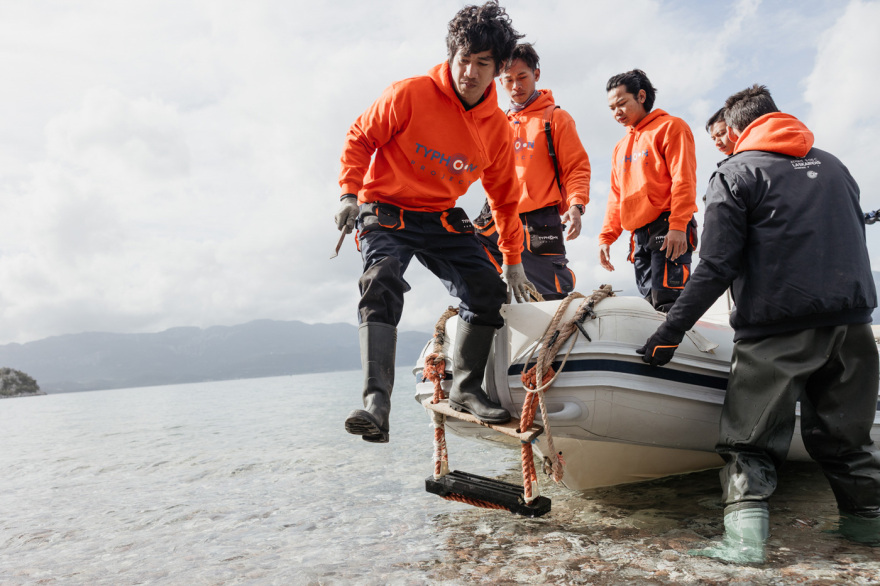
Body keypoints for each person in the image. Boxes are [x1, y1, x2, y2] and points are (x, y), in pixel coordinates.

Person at [638, 84, 880, 562]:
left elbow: (716, 266)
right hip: (852, 327)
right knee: (848, 443)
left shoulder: (735, 173)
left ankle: (743, 550)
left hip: (777, 329)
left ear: (734, 129)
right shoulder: (834, 166)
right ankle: (867, 535)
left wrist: (669, 331)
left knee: (748, 443)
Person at [334, 1, 536, 444]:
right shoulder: (409, 93)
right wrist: (349, 192)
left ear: (497, 69)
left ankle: (465, 388)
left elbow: (505, 199)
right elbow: (360, 137)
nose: (470, 71)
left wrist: (514, 260)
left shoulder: (497, 130)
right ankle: (376, 404)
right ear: (452, 55)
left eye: (483, 63)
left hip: (439, 216)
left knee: (486, 289)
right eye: (464, 59)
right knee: (381, 277)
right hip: (385, 210)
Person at [475, 43, 591, 300]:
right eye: (508, 80)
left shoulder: (556, 118)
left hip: (540, 222)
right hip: (498, 218)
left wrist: (576, 205)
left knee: (550, 298)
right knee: (478, 273)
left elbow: (577, 167)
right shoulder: (497, 122)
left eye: (522, 77)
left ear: (536, 75)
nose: (515, 86)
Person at [599, 69, 698, 312]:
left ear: (641, 96)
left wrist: (677, 227)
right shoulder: (620, 147)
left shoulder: (671, 127)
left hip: (668, 226)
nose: (616, 112)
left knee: (669, 305)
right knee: (649, 307)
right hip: (639, 236)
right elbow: (616, 196)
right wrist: (606, 237)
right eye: (612, 108)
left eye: (621, 104)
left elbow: (683, 179)